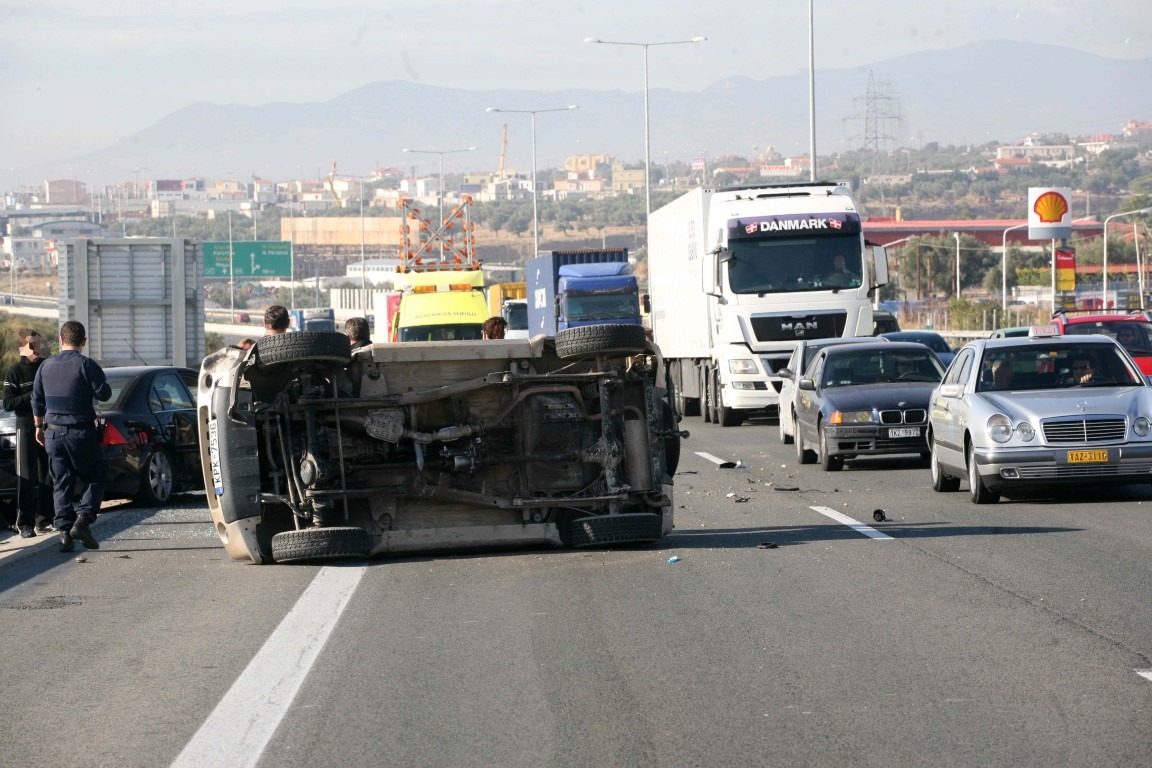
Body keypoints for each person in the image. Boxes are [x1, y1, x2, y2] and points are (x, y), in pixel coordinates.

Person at [31, 321, 112, 553]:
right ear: (83, 342)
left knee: (61, 482)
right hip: (81, 432)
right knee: (96, 475)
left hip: (53, 432)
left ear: (60, 339)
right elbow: (104, 394)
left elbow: (36, 399)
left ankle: (64, 535)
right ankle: (83, 520)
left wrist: (38, 427)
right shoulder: (86, 364)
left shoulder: (45, 366)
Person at [2, 329, 55, 538]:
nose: (35, 348)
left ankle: (44, 520)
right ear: (21, 348)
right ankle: (24, 523)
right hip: (25, 427)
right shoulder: (14, 372)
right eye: (31, 344)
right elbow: (8, 403)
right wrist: (32, 396)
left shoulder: (47, 367)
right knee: (25, 476)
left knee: (48, 474)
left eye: (38, 344)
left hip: (48, 426)